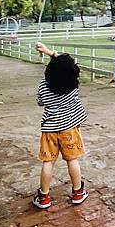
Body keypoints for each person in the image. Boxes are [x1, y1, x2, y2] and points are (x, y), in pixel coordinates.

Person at [32, 42, 89, 209]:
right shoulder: (73, 86)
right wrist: (51, 53)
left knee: (48, 162)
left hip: (49, 130)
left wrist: (49, 54)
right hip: (70, 129)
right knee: (72, 160)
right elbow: (68, 68)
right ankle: (78, 193)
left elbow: (40, 102)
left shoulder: (44, 85)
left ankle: (44, 198)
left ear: (49, 72)